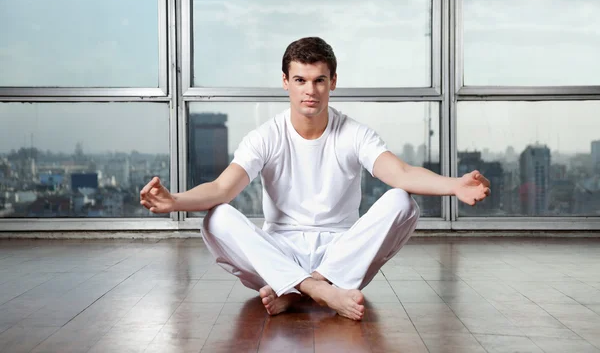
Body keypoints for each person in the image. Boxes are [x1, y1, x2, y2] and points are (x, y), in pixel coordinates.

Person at [140, 37, 490, 321]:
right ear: (285, 82)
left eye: (319, 80)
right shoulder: (266, 136)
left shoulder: (353, 133)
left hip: (341, 255)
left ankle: (296, 289)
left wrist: (454, 184)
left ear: (332, 82)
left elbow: (400, 173)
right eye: (300, 80)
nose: (310, 90)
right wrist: (175, 201)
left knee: (402, 200)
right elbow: (222, 188)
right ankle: (317, 291)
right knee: (217, 216)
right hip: (278, 251)